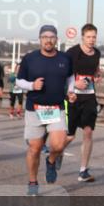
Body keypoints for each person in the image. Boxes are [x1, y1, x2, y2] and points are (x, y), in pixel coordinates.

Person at [16, 25, 75, 196]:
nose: (48, 40)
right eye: (44, 37)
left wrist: (71, 90)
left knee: (58, 144)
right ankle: (33, 182)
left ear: (56, 39)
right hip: (34, 109)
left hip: (56, 108)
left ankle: (51, 161)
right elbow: (19, 81)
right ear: (40, 39)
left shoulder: (65, 58)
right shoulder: (30, 58)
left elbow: (70, 77)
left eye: (52, 37)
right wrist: (32, 85)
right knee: (35, 148)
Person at [66, 24, 102, 182]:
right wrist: (73, 87)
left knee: (88, 132)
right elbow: (63, 74)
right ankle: (56, 154)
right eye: (88, 37)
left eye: (94, 37)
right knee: (69, 136)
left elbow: (94, 70)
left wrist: (97, 75)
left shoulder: (97, 53)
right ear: (82, 37)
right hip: (73, 96)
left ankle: (83, 170)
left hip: (89, 96)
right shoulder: (72, 53)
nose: (91, 40)